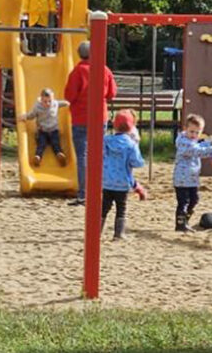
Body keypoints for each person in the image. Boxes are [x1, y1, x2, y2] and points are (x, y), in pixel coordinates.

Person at [64, 40, 118, 205]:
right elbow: (112, 93)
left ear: (80, 54)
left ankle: (84, 193)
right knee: (98, 154)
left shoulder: (77, 71)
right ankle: (99, 190)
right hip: (100, 117)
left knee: (83, 156)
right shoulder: (105, 70)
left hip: (80, 118)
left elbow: (69, 95)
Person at [173, 114, 212, 233]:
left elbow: (200, 144)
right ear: (185, 129)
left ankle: (185, 221)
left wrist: (210, 142)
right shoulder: (183, 143)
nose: (194, 135)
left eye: (197, 132)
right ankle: (180, 224)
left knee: (194, 199)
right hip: (182, 179)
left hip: (192, 179)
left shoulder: (192, 141)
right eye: (191, 132)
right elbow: (197, 151)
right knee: (184, 201)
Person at [101, 110, 145, 241]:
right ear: (131, 127)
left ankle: (97, 232)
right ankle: (118, 234)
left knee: (104, 208)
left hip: (107, 182)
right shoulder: (131, 144)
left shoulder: (106, 140)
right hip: (122, 183)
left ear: (114, 125)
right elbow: (137, 162)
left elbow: (100, 154)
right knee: (121, 208)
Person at [18, 87, 69, 166]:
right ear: (41, 100)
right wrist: (25, 116)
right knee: (41, 144)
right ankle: (38, 157)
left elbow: (60, 103)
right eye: (45, 101)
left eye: (50, 101)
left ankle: (59, 154)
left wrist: (67, 103)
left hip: (54, 130)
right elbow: (32, 115)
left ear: (52, 99)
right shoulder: (37, 107)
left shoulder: (55, 104)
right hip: (42, 131)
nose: (48, 103)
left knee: (56, 143)